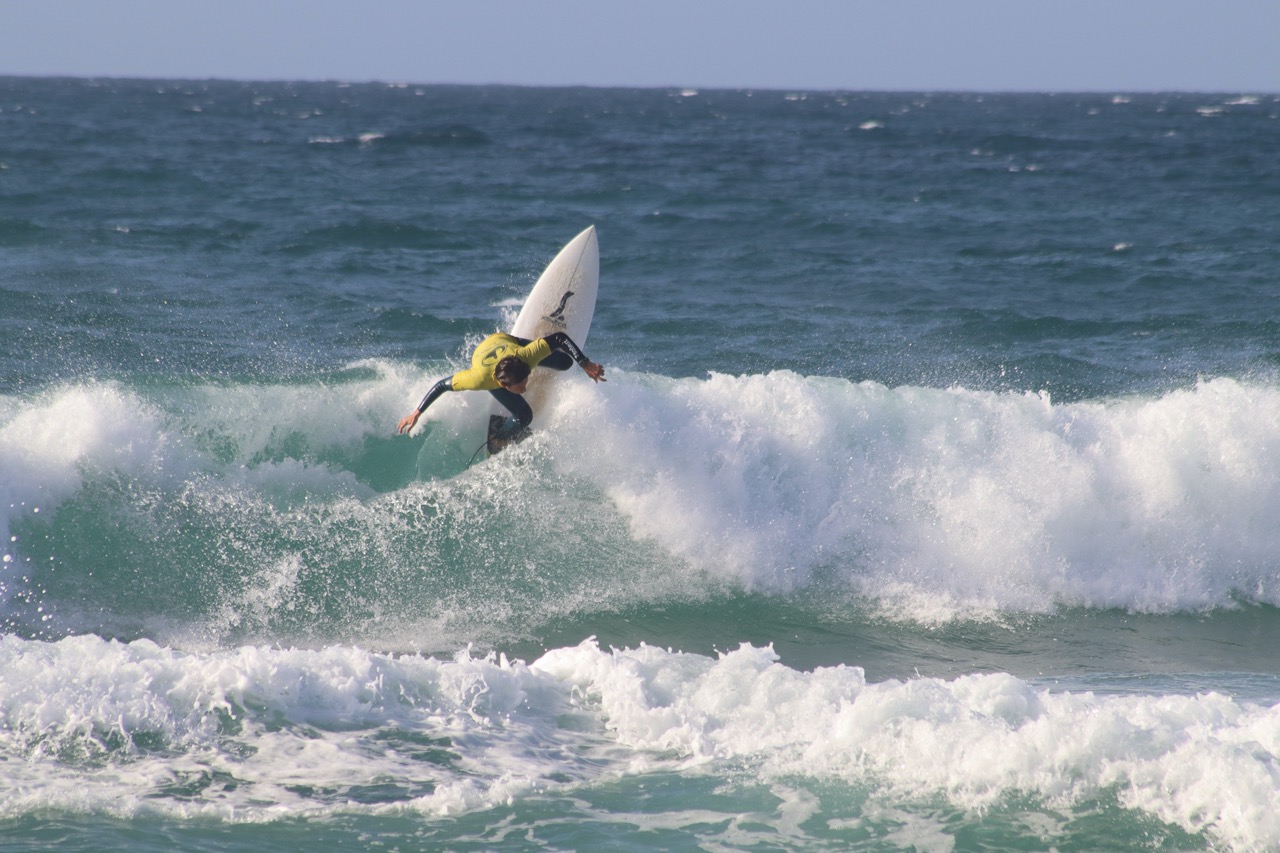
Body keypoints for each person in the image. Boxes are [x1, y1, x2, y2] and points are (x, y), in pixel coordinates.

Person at [396, 331, 605, 445]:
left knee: (566, 363)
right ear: (505, 386)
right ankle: (500, 435)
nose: (525, 389)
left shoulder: (525, 356)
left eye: (526, 381)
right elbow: (442, 385)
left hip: (505, 340)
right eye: (521, 386)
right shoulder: (479, 379)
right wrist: (416, 413)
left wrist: (584, 362)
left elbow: (560, 337)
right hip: (483, 356)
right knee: (524, 416)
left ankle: (542, 349)